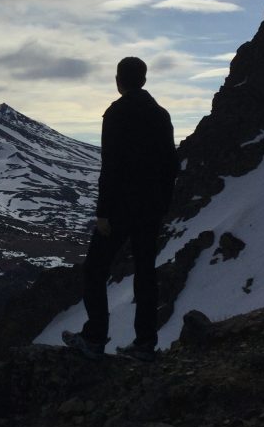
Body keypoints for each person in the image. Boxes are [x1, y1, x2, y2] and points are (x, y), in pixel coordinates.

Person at [63, 56, 178, 362]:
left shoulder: (117, 113)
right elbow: (170, 163)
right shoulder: (160, 114)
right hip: (151, 208)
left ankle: (95, 337)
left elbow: (110, 165)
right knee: (145, 273)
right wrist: (163, 203)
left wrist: (103, 212)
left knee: (95, 269)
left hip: (120, 208)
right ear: (144, 79)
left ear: (119, 80)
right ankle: (145, 344)